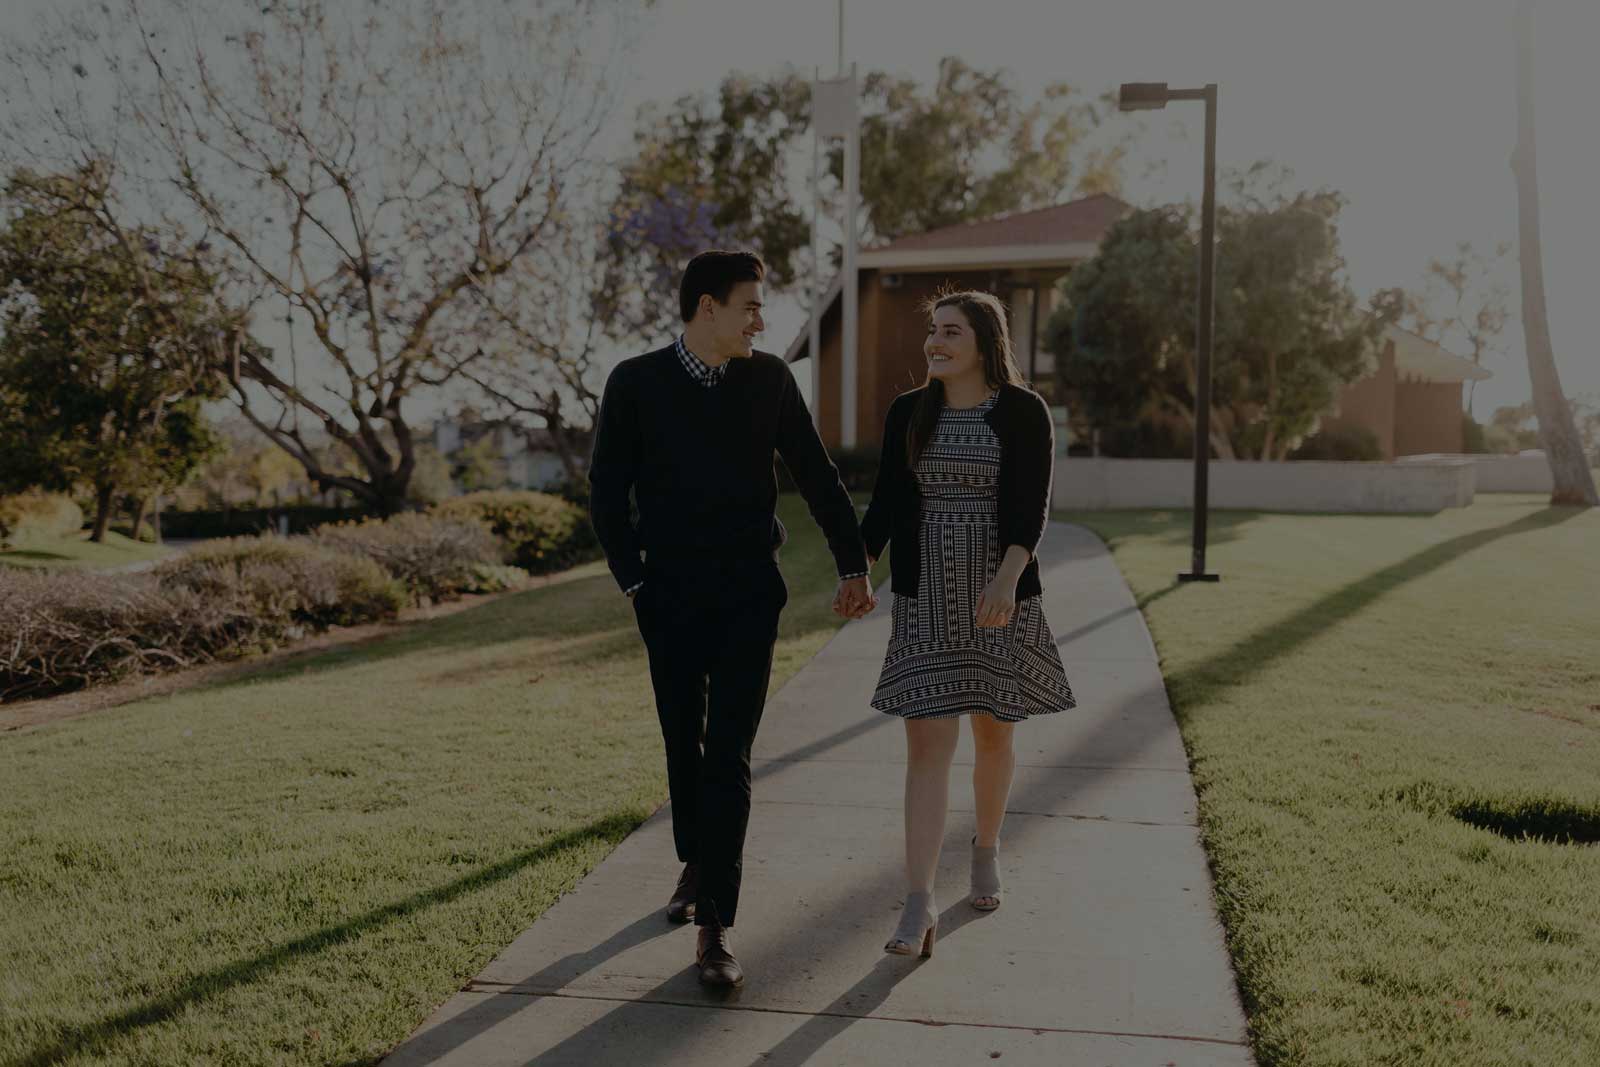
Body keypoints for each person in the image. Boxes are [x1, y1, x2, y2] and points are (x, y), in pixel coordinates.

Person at [588, 249, 876, 988]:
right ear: (706, 306)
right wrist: (635, 583)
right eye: (750, 304)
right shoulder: (636, 382)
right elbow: (606, 490)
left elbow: (815, 471)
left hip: (751, 591)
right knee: (684, 742)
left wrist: (853, 562)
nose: (761, 318)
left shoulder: (770, 380)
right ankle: (696, 859)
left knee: (729, 756)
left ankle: (715, 923)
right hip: (669, 594)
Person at [858, 289, 1075, 958]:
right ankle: (918, 902)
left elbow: (1030, 505)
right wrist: (858, 567)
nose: (936, 342)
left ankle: (985, 849)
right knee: (926, 747)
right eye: (933, 331)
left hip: (996, 593)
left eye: (950, 330)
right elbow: (889, 501)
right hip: (925, 596)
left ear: (984, 338)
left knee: (993, 737)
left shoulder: (1021, 410)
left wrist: (1007, 578)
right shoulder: (907, 412)